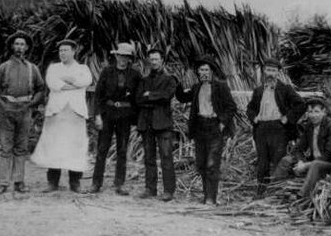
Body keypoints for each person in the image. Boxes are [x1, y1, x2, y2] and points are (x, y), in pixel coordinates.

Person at [31, 39, 94, 193]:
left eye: (66, 50)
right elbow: (53, 84)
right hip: (57, 113)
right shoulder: (53, 68)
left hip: (75, 113)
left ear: (73, 51)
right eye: (60, 51)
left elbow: (86, 81)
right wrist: (73, 84)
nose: (62, 53)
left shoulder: (83, 68)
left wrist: (67, 81)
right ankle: (52, 182)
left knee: (75, 148)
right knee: (54, 146)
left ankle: (75, 183)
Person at [0, 31, 45, 194]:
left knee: (21, 147)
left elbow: (41, 89)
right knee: (6, 147)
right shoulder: (4, 67)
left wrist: (31, 104)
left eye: (22, 44)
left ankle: (19, 181)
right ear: (12, 46)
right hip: (7, 110)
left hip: (25, 110)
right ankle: (3, 182)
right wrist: (2, 105)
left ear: (26, 48)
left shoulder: (32, 69)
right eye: (17, 44)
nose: (19, 47)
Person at [176, 58, 237, 206]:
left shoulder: (221, 87)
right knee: (202, 164)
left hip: (215, 127)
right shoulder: (196, 87)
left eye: (206, 70)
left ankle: (211, 198)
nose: (203, 73)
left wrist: (222, 122)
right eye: (201, 70)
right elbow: (183, 98)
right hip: (200, 127)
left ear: (211, 72)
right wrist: (176, 83)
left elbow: (231, 107)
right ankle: (206, 195)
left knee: (212, 164)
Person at [246, 59, 306, 197]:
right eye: (268, 70)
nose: (270, 74)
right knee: (262, 162)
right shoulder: (258, 90)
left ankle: (275, 193)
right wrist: (254, 118)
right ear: (264, 72)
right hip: (261, 129)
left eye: (273, 71)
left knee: (278, 161)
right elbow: (250, 108)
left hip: (278, 129)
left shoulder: (285, 89)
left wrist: (288, 118)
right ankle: (261, 193)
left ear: (278, 73)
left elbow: (301, 105)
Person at [90, 42, 142, 195]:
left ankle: (119, 184)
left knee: (122, 149)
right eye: (120, 56)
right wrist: (98, 115)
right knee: (102, 149)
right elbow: (98, 95)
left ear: (129, 58)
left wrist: (135, 117)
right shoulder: (107, 71)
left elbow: (138, 97)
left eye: (126, 56)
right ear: (116, 56)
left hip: (125, 116)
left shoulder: (135, 74)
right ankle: (96, 183)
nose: (122, 59)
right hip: (107, 114)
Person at [271, 97, 331, 202]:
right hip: (314, 162)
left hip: (330, 164)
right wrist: (301, 161)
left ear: (324, 112)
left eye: (316, 112)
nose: (313, 115)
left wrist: (305, 166)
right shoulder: (309, 126)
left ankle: (302, 196)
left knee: (316, 164)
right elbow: (297, 149)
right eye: (310, 112)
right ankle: (274, 191)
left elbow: (328, 156)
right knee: (286, 160)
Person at [135, 47, 180, 202]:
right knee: (149, 157)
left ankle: (168, 191)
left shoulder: (170, 79)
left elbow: (167, 96)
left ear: (162, 60)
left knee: (166, 156)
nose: (153, 62)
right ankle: (150, 188)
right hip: (146, 123)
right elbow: (138, 99)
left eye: (156, 59)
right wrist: (154, 98)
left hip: (163, 124)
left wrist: (150, 96)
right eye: (151, 59)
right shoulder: (144, 80)